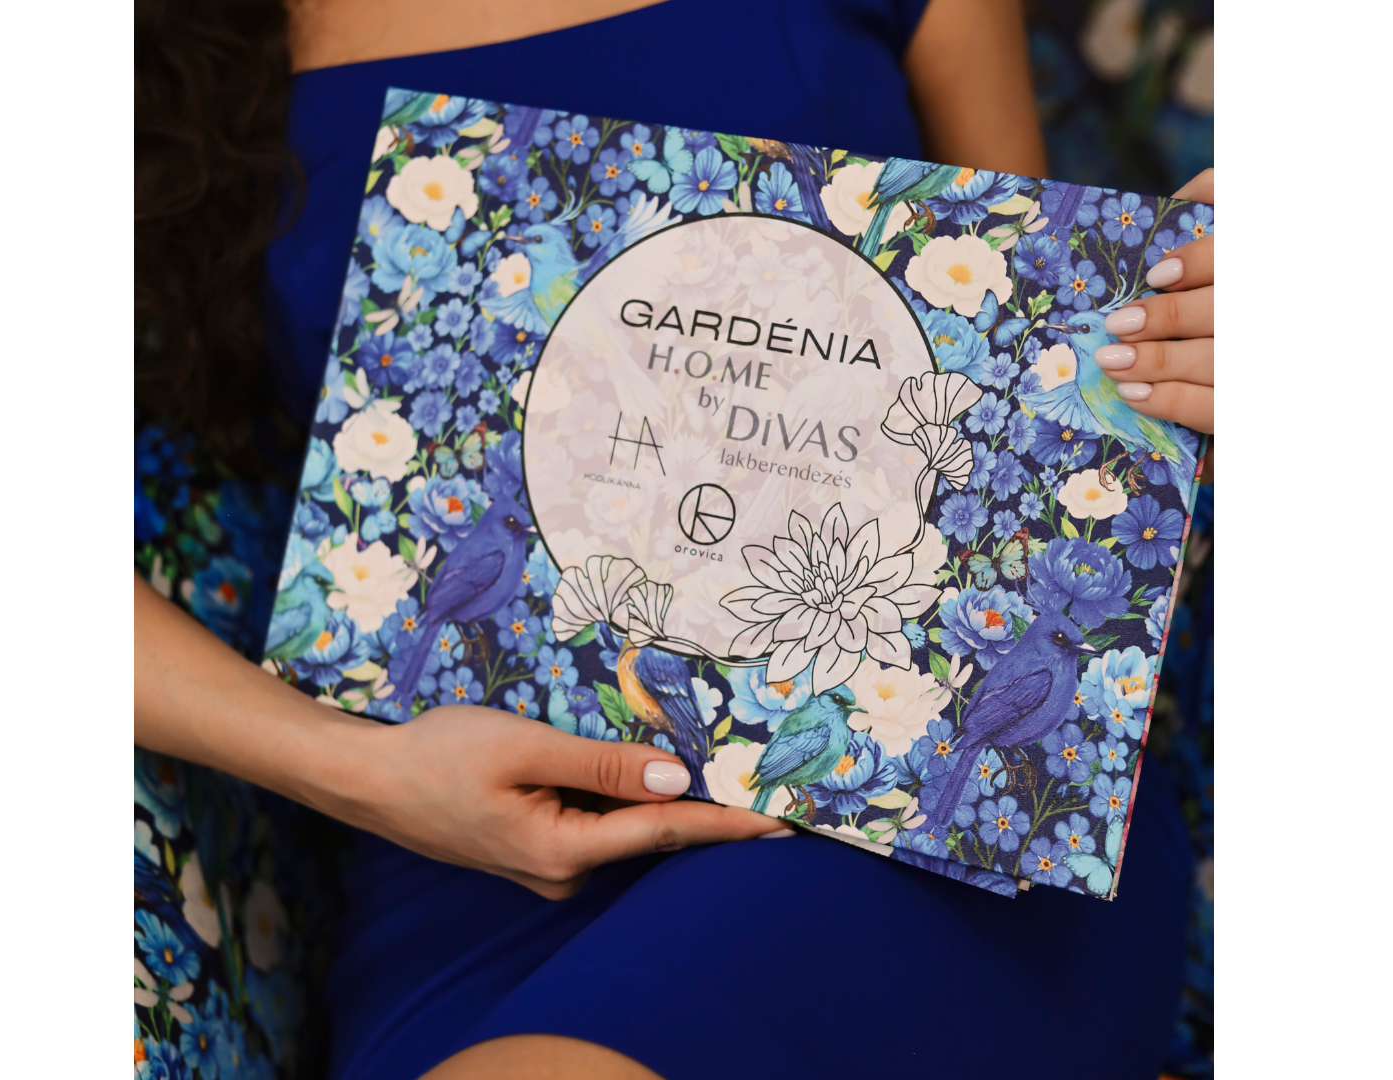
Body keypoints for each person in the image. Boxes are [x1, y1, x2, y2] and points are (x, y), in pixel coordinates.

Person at [134, 1, 1215, 1077]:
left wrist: (1180, 343)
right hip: (462, 850)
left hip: (901, 811)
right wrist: (358, 772)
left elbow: (1032, 381)